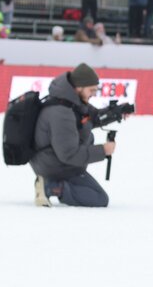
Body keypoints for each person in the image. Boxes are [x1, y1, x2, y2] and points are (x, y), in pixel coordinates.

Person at [30, 63, 114, 208]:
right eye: (91, 90)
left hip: (55, 159)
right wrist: (103, 151)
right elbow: (68, 154)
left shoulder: (72, 101)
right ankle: (50, 186)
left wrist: (116, 113)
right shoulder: (62, 112)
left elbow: (92, 118)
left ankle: (60, 184)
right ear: (79, 87)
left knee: (89, 137)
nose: (93, 94)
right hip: (53, 166)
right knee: (99, 199)